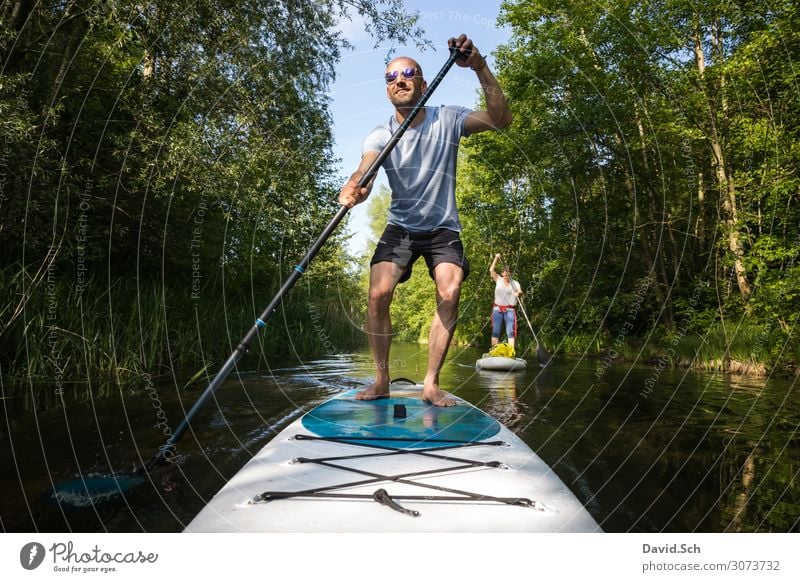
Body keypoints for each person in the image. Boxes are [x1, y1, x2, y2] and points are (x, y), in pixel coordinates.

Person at [339, 34, 512, 406]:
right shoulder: (380, 133)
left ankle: (431, 383)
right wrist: (353, 188)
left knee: (450, 292)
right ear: (388, 91)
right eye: (391, 77)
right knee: (378, 294)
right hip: (400, 227)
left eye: (408, 73)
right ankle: (382, 379)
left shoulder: (448, 118)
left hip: (442, 228)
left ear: (422, 82)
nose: (399, 80)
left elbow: (502, 119)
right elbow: (363, 174)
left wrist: (479, 66)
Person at [489, 253, 523, 351]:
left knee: (510, 332)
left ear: (511, 273)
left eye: (508, 272)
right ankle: (493, 350)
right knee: (496, 331)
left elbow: (520, 292)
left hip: (509, 310)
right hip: (497, 309)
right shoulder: (498, 279)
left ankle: (511, 351)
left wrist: (519, 294)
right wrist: (496, 258)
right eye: (505, 272)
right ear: (503, 273)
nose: (506, 274)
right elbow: (491, 270)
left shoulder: (515, 283)